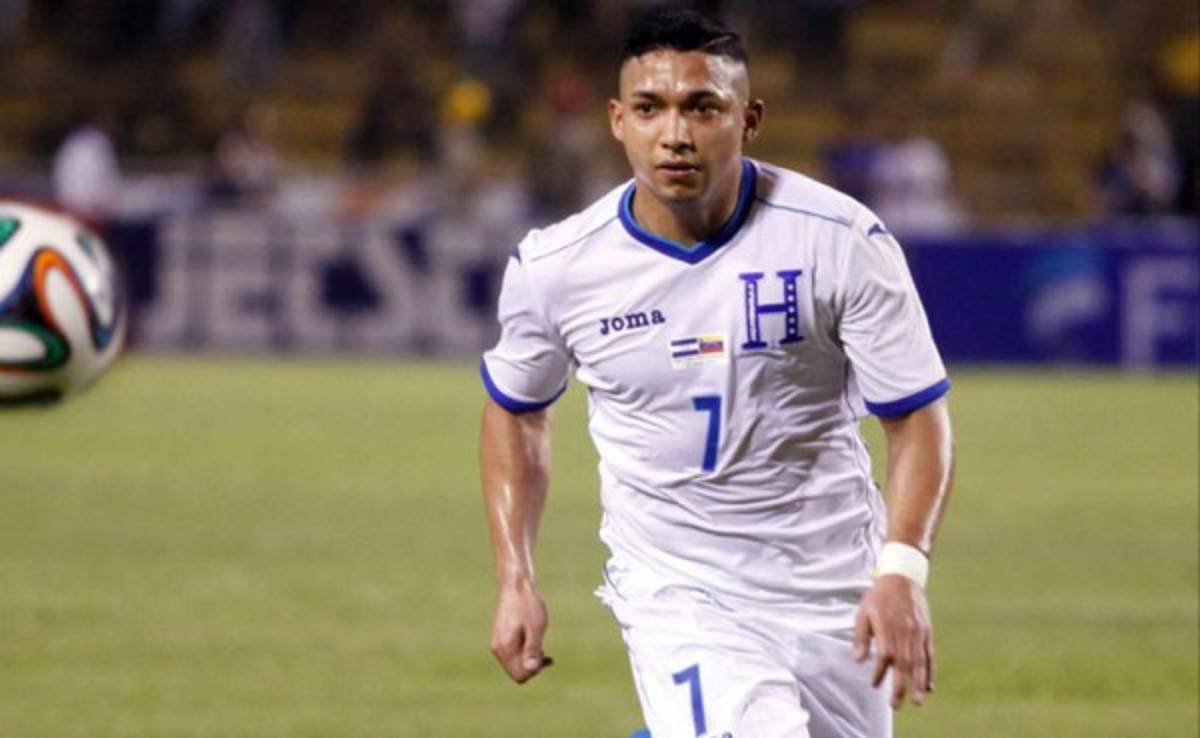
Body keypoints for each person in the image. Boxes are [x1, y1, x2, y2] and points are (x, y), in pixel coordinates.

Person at [479, 9, 955, 738]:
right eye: (649, 108)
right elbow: (516, 408)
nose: (675, 133)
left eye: (702, 107)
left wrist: (901, 570)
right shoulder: (559, 268)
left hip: (831, 583)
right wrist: (515, 576)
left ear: (748, 119)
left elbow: (916, 415)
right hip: (680, 588)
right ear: (617, 121)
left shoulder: (841, 241)